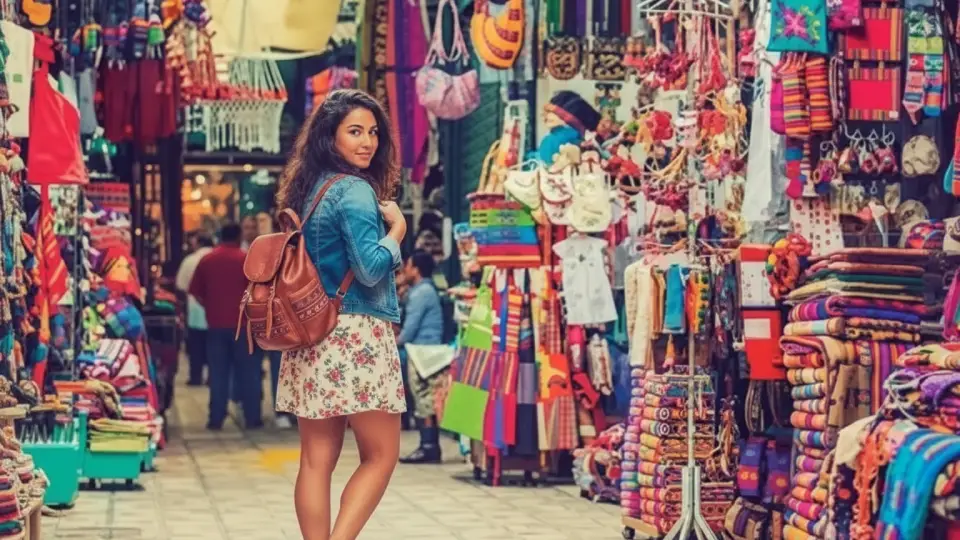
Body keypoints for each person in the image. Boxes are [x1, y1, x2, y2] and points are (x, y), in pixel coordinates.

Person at [273, 89, 407, 540]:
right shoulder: (353, 190)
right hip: (356, 336)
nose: (367, 141)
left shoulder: (313, 190)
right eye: (355, 131)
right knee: (382, 454)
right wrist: (398, 231)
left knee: (315, 459)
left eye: (372, 132)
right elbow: (370, 269)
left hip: (312, 337)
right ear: (330, 137)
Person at [189, 223, 263, 430]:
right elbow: (260, 292)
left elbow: (195, 291)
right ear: (238, 237)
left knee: (218, 374)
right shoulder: (246, 259)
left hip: (215, 326)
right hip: (245, 326)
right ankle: (252, 417)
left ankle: (216, 418)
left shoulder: (207, 260)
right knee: (249, 373)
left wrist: (210, 306)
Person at [396, 250, 445, 464]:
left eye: (407, 265)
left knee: (423, 398)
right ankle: (429, 446)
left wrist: (391, 342)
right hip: (425, 351)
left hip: (422, 353)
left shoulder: (421, 293)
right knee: (423, 398)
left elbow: (409, 331)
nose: (404, 270)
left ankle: (428, 447)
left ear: (415, 269)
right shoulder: (422, 290)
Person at [175, 233, 214, 386]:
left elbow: (181, 285)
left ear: (198, 243)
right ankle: (213, 376)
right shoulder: (216, 258)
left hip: (196, 311)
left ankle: (195, 377)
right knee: (214, 348)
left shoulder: (190, 260)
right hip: (218, 312)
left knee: (196, 346)